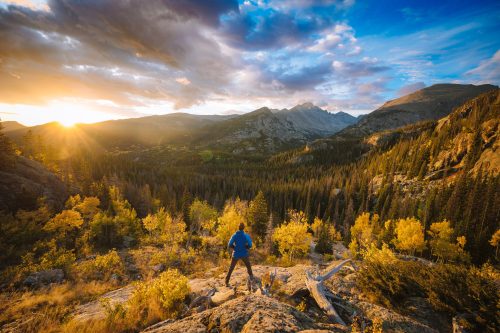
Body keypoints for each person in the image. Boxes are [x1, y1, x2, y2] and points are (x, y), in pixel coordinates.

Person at [225, 223, 254, 287]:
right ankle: (252, 279)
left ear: (238, 228)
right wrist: (247, 247)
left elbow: (229, 244)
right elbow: (250, 245)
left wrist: (234, 247)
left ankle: (226, 281)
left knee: (231, 268)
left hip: (236, 254)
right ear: (243, 228)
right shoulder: (246, 235)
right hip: (244, 253)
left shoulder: (234, 235)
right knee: (248, 266)